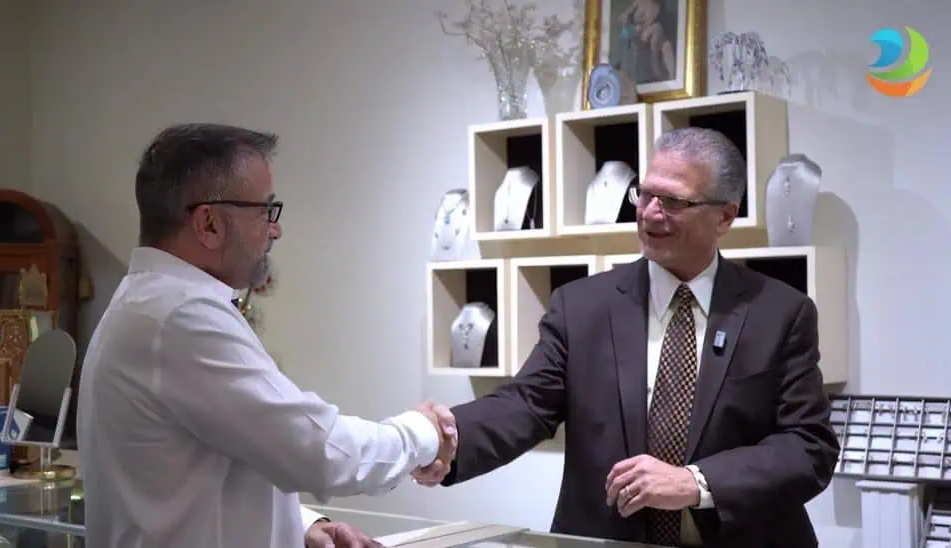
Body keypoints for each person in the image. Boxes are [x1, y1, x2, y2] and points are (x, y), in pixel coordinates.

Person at [414, 127, 840, 548]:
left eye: (674, 201)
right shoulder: (580, 306)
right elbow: (526, 404)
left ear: (724, 216)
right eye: (646, 193)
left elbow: (808, 445)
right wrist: (450, 439)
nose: (651, 213)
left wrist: (697, 483)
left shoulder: (780, 313)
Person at [77, 123, 457, 548]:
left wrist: (301, 525)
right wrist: (422, 433)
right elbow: (317, 450)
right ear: (209, 223)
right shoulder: (180, 317)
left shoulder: (150, 305)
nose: (275, 230)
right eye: (265, 211)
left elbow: (208, 467)